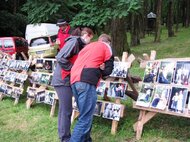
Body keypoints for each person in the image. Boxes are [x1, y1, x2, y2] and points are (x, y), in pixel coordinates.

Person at [51, 27, 94, 142]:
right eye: (91, 38)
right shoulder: (74, 41)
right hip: (62, 80)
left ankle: (81, 137)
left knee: (67, 110)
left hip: (69, 80)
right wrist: (73, 69)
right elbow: (60, 57)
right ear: (86, 36)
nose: (90, 41)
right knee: (66, 110)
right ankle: (65, 138)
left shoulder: (80, 45)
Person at [70, 34, 114, 142]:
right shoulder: (106, 47)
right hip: (87, 81)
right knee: (85, 118)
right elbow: (108, 70)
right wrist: (103, 70)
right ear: (108, 42)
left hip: (74, 79)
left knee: (85, 114)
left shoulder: (88, 46)